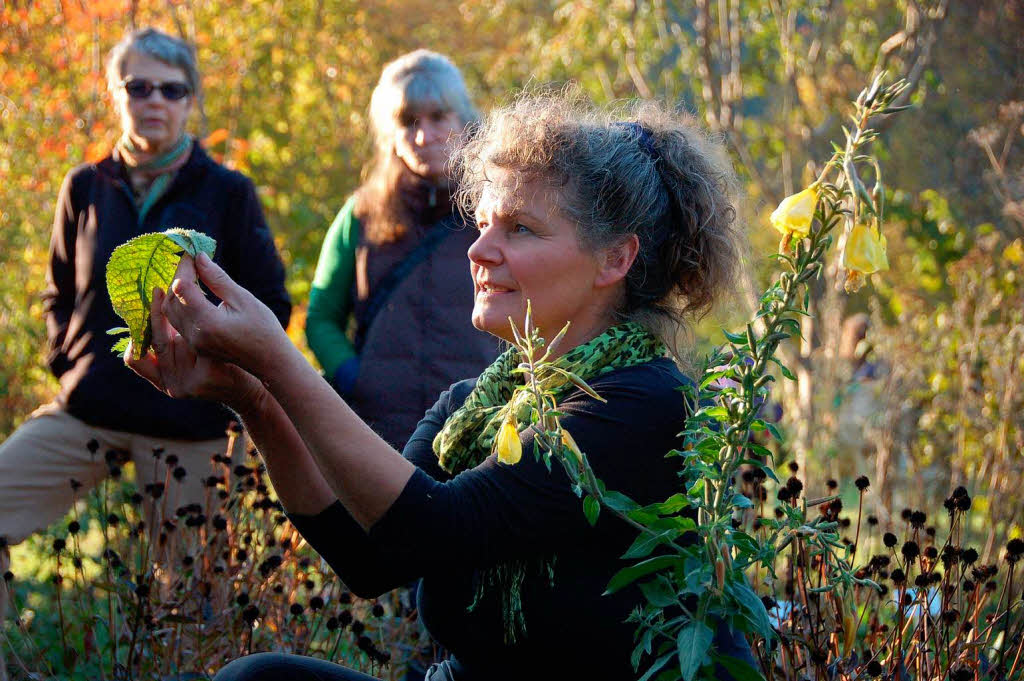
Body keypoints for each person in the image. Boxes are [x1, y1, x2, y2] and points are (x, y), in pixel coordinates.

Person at [126, 93, 754, 681]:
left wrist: (279, 359)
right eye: (482, 224)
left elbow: (433, 528)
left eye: (521, 229)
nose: (479, 249)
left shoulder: (644, 403)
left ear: (615, 259)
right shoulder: (475, 408)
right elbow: (371, 555)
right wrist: (253, 396)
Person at [0, 27, 291, 665]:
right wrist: (69, 362)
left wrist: (219, 378)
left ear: (191, 100)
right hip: (90, 410)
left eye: (171, 88)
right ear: (115, 94)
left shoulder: (228, 193)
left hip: (190, 424)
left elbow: (269, 302)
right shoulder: (84, 186)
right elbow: (57, 292)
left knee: (186, 605)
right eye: (138, 86)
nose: (154, 100)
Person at [306, 50, 497, 450]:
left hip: (481, 432)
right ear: (390, 134)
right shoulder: (361, 213)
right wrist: (354, 376)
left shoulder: (500, 208)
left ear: (464, 121)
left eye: (437, 117)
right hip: (379, 435)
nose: (424, 136)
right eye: (409, 122)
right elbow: (322, 317)